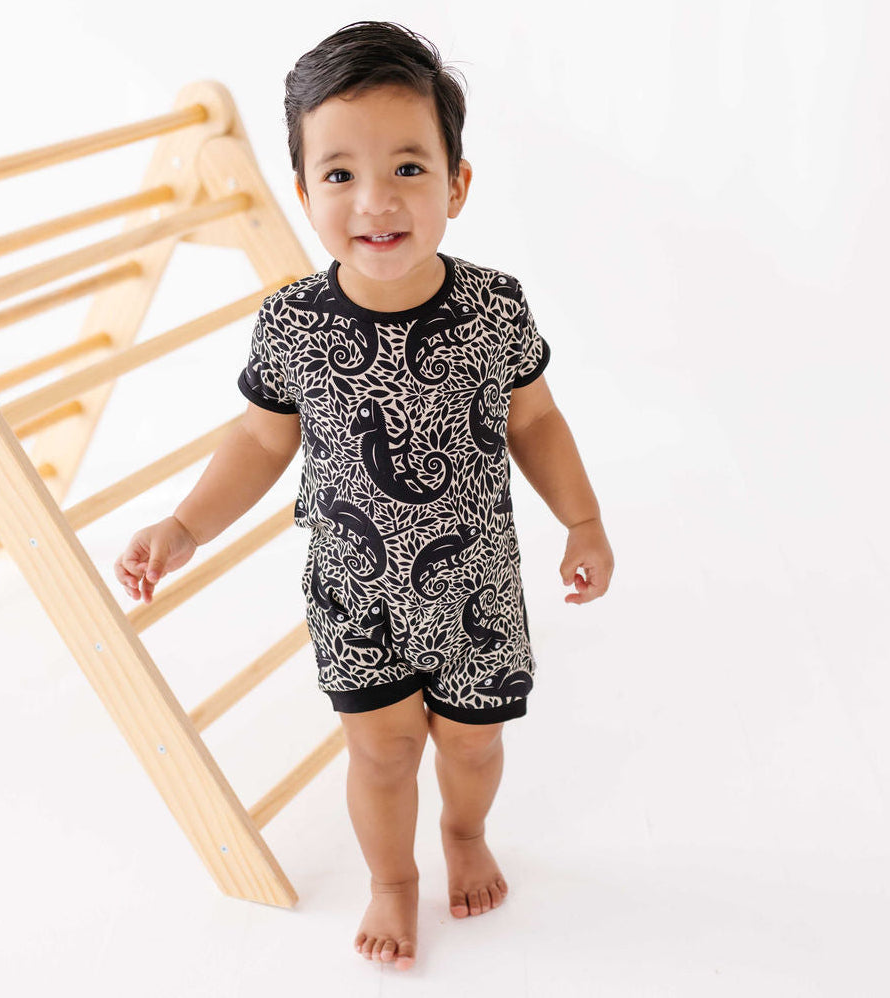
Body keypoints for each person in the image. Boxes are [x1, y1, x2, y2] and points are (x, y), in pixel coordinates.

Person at [115, 20, 614, 972]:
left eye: (410, 169)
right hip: (359, 594)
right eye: (339, 174)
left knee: (471, 751)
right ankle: (393, 880)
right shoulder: (295, 323)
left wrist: (581, 520)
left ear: (457, 185)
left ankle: (464, 835)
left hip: (476, 591)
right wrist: (183, 524)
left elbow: (537, 421)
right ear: (303, 194)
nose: (375, 200)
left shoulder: (493, 307)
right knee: (382, 755)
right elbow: (262, 438)